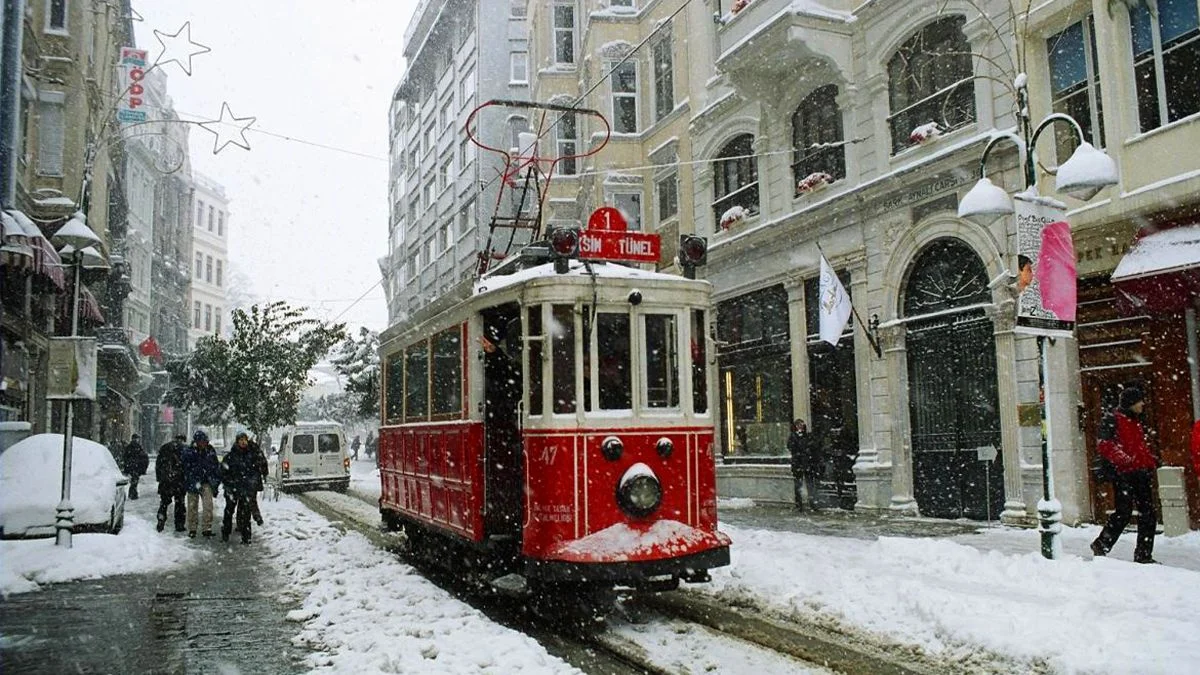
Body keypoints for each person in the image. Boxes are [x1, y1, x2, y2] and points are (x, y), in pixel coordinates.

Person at [1091, 387, 1159, 564]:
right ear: (1131, 403)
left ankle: (1143, 554)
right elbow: (1105, 445)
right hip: (1124, 473)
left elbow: (1138, 447)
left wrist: (1150, 461)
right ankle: (1102, 544)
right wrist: (1125, 459)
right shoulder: (1113, 420)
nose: (1143, 404)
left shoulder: (1136, 421)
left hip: (1140, 472)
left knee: (1148, 514)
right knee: (1124, 512)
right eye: (1139, 401)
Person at [220, 432, 260, 544]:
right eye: (241, 440)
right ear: (237, 441)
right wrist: (229, 482)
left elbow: (255, 471)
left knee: (245, 514)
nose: (243, 442)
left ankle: (246, 537)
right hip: (232, 489)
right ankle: (225, 533)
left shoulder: (250, 456)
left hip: (245, 489)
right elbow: (223, 472)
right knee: (229, 511)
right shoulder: (231, 456)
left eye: (245, 440)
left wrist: (252, 483)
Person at [182, 430, 221, 538]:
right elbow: (185, 468)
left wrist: (215, 481)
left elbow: (215, 467)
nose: (203, 444)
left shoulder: (210, 451)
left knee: (208, 506)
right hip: (193, 482)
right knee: (192, 507)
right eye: (201, 441)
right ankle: (192, 528)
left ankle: (206, 528)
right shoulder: (189, 452)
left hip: (206, 482)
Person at [155, 434, 188, 532]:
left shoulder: (165, 447)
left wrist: (160, 478)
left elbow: (158, 464)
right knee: (180, 504)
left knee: (164, 502)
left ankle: (161, 519)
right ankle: (179, 525)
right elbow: (187, 466)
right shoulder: (185, 449)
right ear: (183, 440)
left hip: (166, 481)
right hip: (179, 481)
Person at [787, 419, 821, 512]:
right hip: (798, 464)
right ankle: (799, 504)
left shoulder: (807, 436)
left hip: (807, 463)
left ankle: (812, 503)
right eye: (798, 425)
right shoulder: (793, 436)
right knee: (798, 484)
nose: (800, 427)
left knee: (810, 484)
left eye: (801, 425)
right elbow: (791, 447)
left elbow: (813, 446)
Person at [248, 435, 268, 526]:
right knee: (252, 500)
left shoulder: (244, 450)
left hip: (247, 480)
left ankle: (244, 522)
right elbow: (263, 462)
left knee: (245, 502)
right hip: (253, 480)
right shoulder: (256, 449)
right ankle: (256, 516)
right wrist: (264, 474)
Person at [122, 434, 149, 500]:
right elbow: (142, 456)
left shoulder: (130, 447)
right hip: (135, 466)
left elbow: (125, 457)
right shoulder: (137, 447)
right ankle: (133, 494)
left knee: (134, 480)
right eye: (137, 438)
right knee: (134, 480)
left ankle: (132, 493)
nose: (137, 440)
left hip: (132, 466)